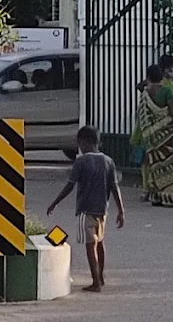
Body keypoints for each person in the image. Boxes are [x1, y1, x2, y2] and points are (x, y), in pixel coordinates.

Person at [47, 125, 125, 293]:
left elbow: (70, 186)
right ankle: (100, 277)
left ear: (83, 142)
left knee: (90, 246)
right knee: (100, 243)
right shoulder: (108, 161)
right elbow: (115, 187)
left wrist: (55, 202)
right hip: (102, 210)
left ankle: (95, 282)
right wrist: (121, 210)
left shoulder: (81, 162)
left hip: (85, 210)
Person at [136, 64, 173, 207]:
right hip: (168, 135)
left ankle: (157, 196)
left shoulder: (145, 94)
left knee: (156, 166)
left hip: (151, 137)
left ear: (148, 77)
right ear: (161, 76)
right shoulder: (166, 91)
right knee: (172, 166)